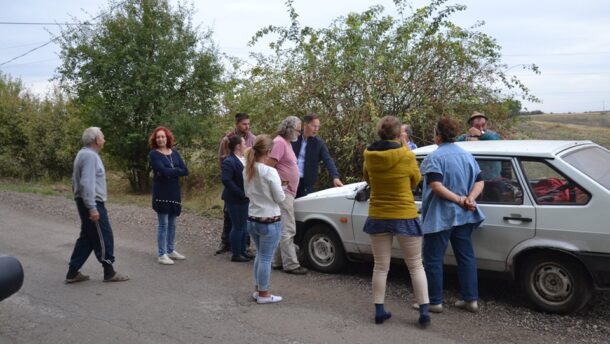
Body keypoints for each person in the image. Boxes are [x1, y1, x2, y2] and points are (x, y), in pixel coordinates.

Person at [362, 116, 430, 327]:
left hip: (379, 214)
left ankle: (379, 310)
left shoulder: (369, 156)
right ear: (397, 133)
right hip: (404, 213)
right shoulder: (406, 155)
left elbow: (367, 180)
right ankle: (424, 312)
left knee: (381, 266)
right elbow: (416, 180)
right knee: (416, 265)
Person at [419, 117, 485, 313]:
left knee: (432, 258)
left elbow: (436, 186)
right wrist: (470, 199)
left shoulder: (434, 157)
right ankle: (471, 300)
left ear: (438, 135)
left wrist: (459, 200)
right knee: (465, 257)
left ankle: (435, 301)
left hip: (441, 216)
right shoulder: (467, 155)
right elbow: (480, 181)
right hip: (465, 216)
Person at [65, 127, 129, 283]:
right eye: (103, 137)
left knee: (87, 237)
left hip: (84, 200)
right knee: (104, 235)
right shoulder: (90, 156)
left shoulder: (83, 153)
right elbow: (86, 183)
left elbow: (76, 182)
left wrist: (80, 200)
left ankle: (72, 273)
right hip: (92, 202)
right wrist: (92, 207)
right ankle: (109, 272)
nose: (104, 140)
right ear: (96, 141)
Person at [243, 135, 286, 304]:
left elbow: (248, 193)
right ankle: (264, 294)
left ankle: (257, 289)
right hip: (269, 220)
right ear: (268, 151)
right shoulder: (270, 171)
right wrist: (282, 188)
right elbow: (280, 198)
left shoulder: (247, 169)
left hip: (252, 218)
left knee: (260, 256)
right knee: (266, 258)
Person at [267, 116, 308, 275]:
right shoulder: (279, 143)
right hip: (284, 193)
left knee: (283, 227)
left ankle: (277, 261)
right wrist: (280, 183)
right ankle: (291, 264)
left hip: (288, 192)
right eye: (298, 130)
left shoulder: (287, 143)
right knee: (289, 228)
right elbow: (268, 168)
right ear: (289, 129)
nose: (299, 133)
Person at [216, 113, 256, 254]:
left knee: (246, 217)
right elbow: (221, 159)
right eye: (244, 124)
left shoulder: (253, 139)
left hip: (246, 182)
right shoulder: (227, 139)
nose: (247, 127)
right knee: (229, 214)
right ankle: (225, 242)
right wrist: (230, 175)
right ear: (237, 124)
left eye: (248, 124)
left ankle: (244, 245)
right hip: (232, 180)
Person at [149, 126, 189, 265]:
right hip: (161, 191)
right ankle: (162, 254)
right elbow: (161, 170)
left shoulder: (175, 153)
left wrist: (170, 171)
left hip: (173, 191)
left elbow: (185, 170)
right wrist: (173, 171)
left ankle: (171, 250)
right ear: (155, 139)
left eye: (163, 137)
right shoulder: (154, 154)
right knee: (163, 224)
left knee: (172, 223)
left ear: (167, 138)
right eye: (158, 137)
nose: (161, 139)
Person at [291, 114, 343, 198]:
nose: (316, 129)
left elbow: (328, 160)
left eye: (318, 127)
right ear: (305, 125)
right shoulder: (293, 139)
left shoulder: (319, 143)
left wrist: (335, 177)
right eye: (314, 126)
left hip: (306, 184)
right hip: (290, 181)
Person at [221, 135, 250, 262]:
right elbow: (226, 180)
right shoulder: (229, 161)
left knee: (244, 226)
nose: (245, 145)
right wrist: (241, 193)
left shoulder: (243, 159)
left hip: (244, 198)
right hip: (234, 199)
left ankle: (243, 250)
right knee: (237, 226)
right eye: (244, 143)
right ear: (238, 146)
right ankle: (236, 253)